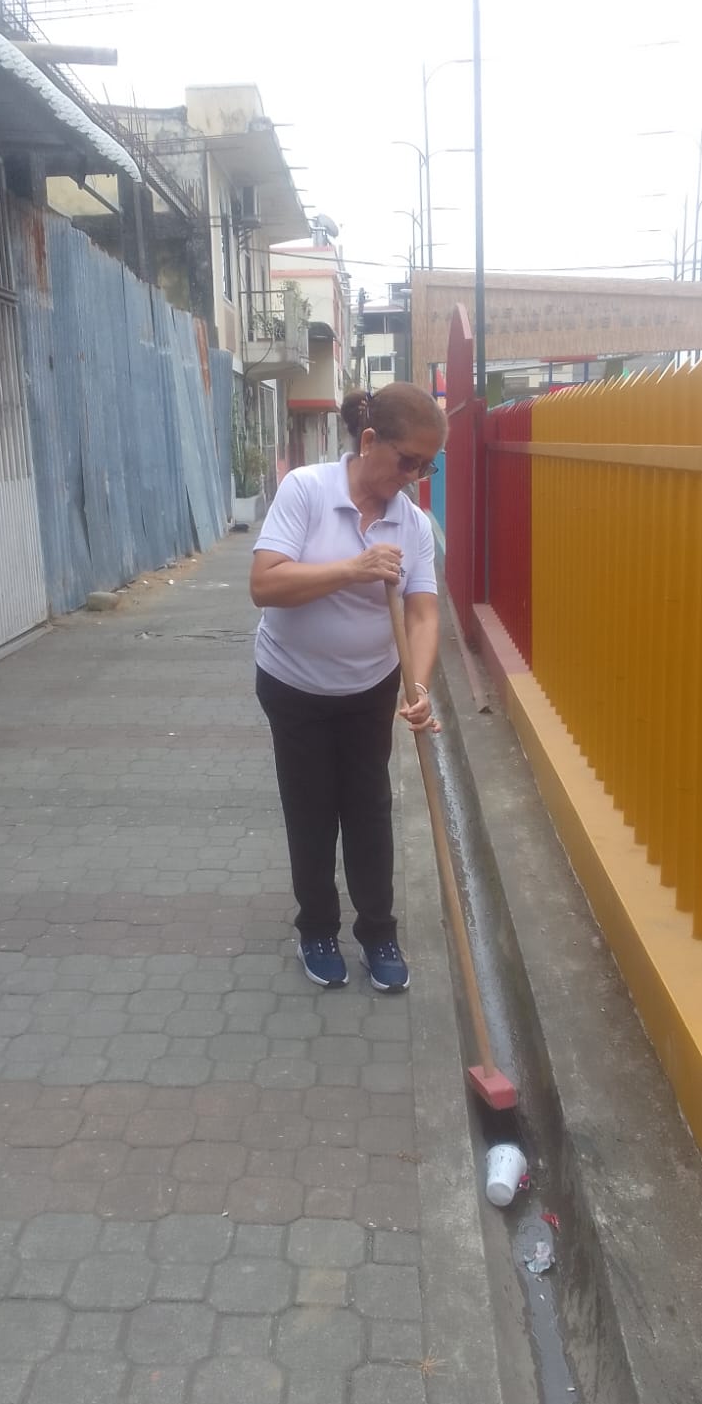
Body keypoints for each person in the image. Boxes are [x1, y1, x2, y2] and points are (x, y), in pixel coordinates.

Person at [250, 382, 447, 992]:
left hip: (369, 689)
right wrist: (352, 569)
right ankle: (316, 928)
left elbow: (423, 614)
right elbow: (265, 584)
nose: (413, 477)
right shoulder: (306, 490)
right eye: (407, 460)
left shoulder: (412, 524)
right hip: (293, 684)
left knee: (369, 809)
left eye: (427, 466)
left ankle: (378, 931)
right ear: (369, 440)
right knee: (311, 808)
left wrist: (418, 687)